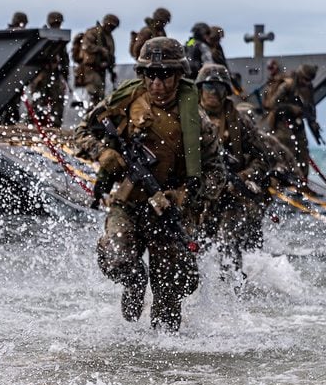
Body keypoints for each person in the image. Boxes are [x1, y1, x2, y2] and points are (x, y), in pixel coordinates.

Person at [75, 37, 224, 332]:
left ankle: (164, 361)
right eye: (150, 74)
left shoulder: (196, 119)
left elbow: (217, 174)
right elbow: (81, 132)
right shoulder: (124, 102)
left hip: (170, 211)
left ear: (179, 74)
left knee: (169, 292)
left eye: (165, 75)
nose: (157, 83)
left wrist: (185, 194)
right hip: (129, 202)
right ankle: (134, 281)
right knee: (117, 257)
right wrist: (102, 153)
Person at [193, 64, 270, 279]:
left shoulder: (240, 122)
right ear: (200, 89)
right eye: (209, 86)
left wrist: (244, 177)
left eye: (219, 87)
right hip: (198, 196)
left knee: (229, 245)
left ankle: (235, 296)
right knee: (195, 248)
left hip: (230, 196)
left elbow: (263, 160)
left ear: (227, 91)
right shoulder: (190, 121)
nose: (214, 93)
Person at [263, 63, 322, 180]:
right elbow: (271, 104)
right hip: (281, 121)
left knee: (303, 149)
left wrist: (313, 123)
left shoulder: (308, 89)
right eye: (305, 79)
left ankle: (302, 180)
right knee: (287, 146)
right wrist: (290, 108)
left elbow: (311, 107)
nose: (306, 82)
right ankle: (285, 177)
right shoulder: (287, 85)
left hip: (297, 122)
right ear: (300, 75)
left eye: (309, 80)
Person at [26, 11, 69, 126]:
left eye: (58, 23)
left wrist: (65, 76)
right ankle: (33, 122)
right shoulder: (42, 37)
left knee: (58, 98)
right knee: (38, 99)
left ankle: (55, 124)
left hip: (54, 73)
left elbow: (64, 59)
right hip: (41, 73)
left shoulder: (60, 38)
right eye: (55, 23)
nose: (57, 26)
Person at [75, 14, 120, 110]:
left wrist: (111, 68)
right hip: (90, 69)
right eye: (110, 26)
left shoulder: (109, 37)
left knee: (100, 98)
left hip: (101, 70)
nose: (111, 28)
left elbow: (110, 54)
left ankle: (95, 117)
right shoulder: (94, 32)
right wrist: (100, 50)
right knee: (93, 94)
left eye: (113, 27)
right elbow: (86, 46)